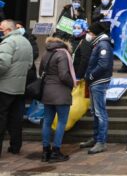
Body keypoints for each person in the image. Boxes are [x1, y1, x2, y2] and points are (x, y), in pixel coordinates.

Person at [39, 37, 76, 162]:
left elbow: (41, 71)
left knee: (47, 122)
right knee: (61, 122)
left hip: (47, 91)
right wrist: (73, 84)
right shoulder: (63, 54)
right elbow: (64, 75)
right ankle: (56, 151)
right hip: (61, 92)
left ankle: (45, 151)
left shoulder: (45, 53)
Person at [0, 19, 33, 157]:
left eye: (1, 28)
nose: (0, 30)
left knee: (1, 118)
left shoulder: (7, 42)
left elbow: (2, 64)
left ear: (8, 29)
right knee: (15, 118)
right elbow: (30, 64)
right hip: (20, 87)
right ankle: (15, 146)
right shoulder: (26, 41)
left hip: (5, 87)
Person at [80, 22, 113, 154]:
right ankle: (96, 138)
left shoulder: (103, 44)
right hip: (95, 82)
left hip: (99, 82)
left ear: (95, 33)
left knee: (100, 113)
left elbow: (103, 65)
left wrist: (92, 76)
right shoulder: (98, 44)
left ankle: (101, 141)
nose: (88, 34)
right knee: (95, 112)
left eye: (89, 32)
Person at [15, 20, 39, 88]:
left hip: (28, 71)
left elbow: (35, 53)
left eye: (19, 27)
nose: (19, 29)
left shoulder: (30, 38)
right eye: (16, 28)